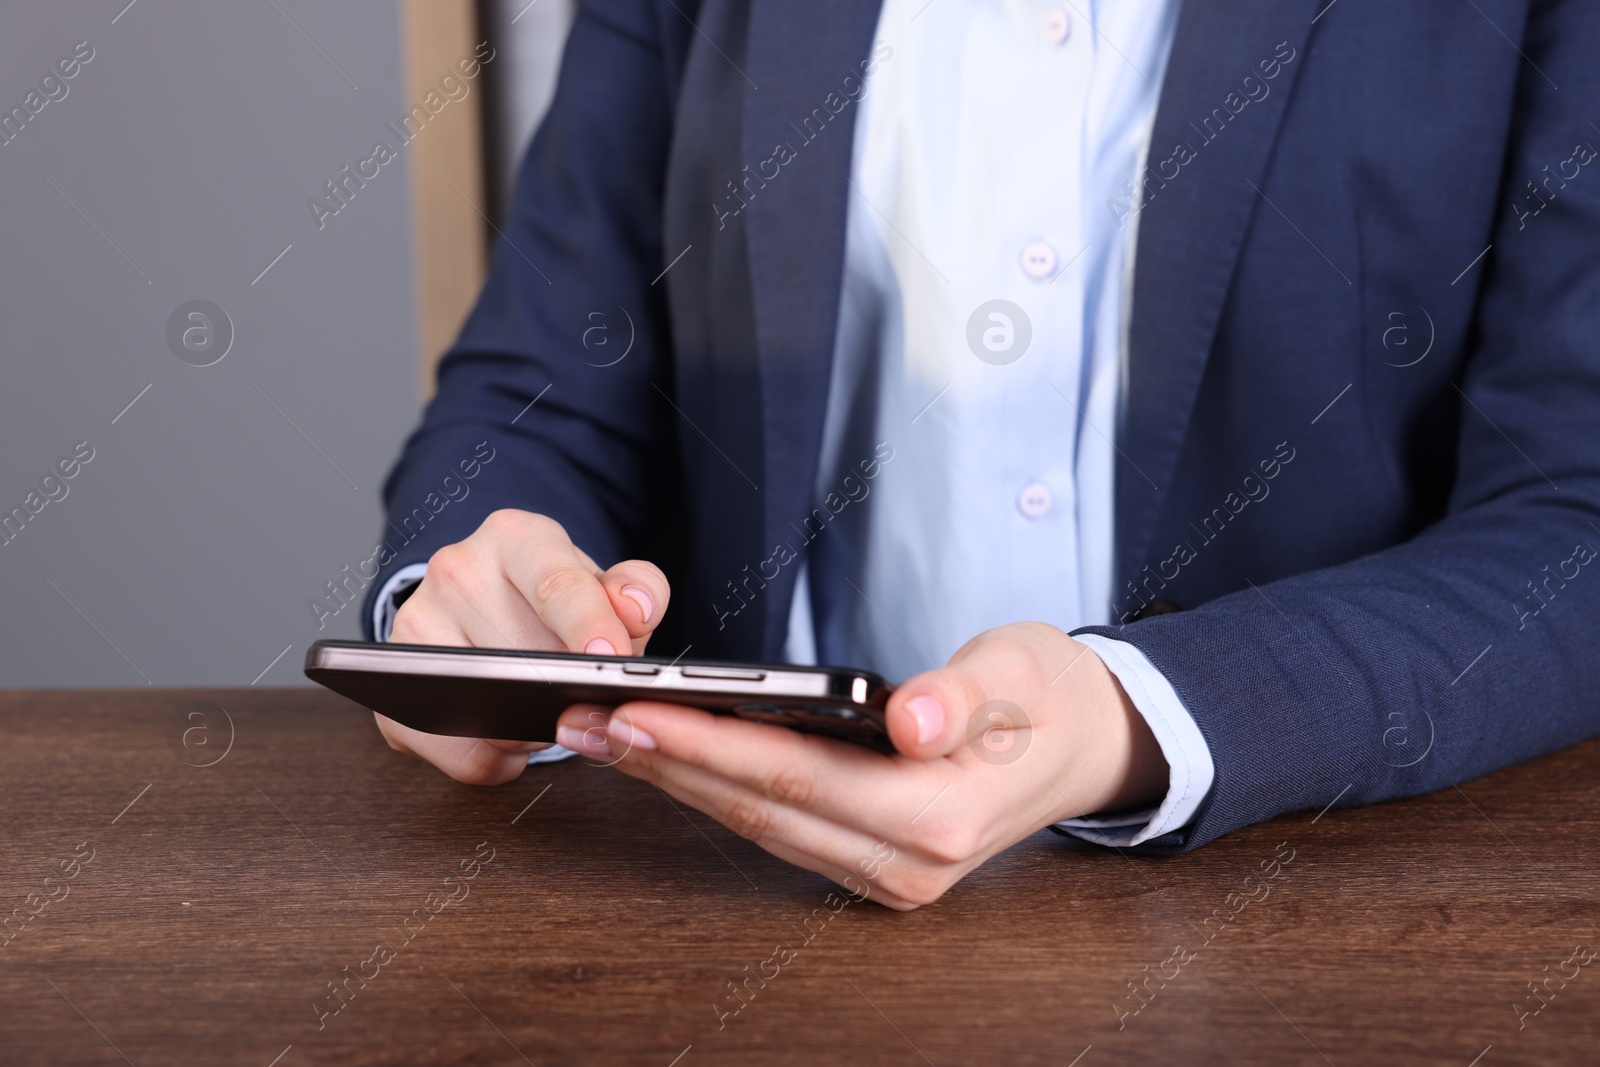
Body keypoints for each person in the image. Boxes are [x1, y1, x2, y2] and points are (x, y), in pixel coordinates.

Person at [362, 0, 1600, 910]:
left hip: (1305, 902)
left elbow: (1574, 509)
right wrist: (473, 598)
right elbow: (540, 386)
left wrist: (1134, 715)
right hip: (717, 896)